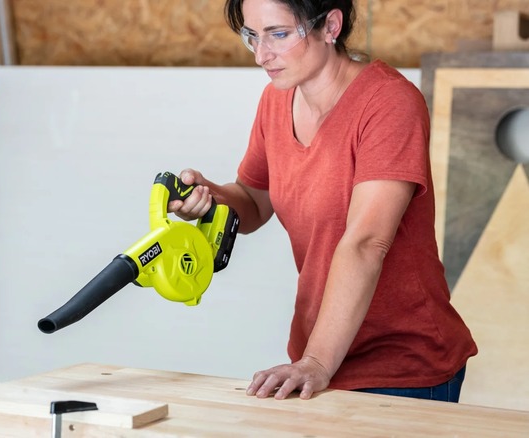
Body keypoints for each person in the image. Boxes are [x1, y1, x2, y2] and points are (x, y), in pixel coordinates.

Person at [168, 0, 477, 402]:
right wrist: (210, 198)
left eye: (278, 34)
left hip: (403, 362)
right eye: (252, 36)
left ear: (330, 25)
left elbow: (367, 242)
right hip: (321, 357)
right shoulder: (276, 100)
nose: (262, 55)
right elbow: (254, 202)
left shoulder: (389, 103)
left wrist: (316, 361)